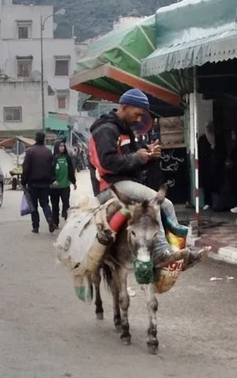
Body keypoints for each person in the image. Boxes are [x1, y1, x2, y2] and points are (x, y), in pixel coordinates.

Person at [88, 88, 205, 268]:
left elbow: (133, 158)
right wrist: (137, 157)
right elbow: (106, 163)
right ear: (125, 107)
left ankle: (178, 250)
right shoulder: (106, 130)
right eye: (137, 114)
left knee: (164, 204)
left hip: (126, 184)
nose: (139, 119)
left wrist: (149, 155)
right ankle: (162, 252)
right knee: (160, 202)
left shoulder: (125, 131)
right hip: (112, 186)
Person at [21, 131, 56, 233]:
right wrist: (52, 179)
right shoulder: (48, 151)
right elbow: (52, 167)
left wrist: (23, 181)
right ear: (44, 139)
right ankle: (49, 218)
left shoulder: (30, 151)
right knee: (45, 203)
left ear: (36, 139)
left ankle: (35, 227)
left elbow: (26, 168)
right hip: (45, 183)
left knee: (34, 205)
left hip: (33, 183)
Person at [49, 140, 77, 228]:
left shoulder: (67, 158)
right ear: (57, 147)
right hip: (54, 187)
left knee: (66, 204)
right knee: (55, 205)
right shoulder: (53, 158)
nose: (62, 148)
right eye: (60, 146)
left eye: (63, 146)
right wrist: (53, 180)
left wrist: (74, 182)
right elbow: (49, 171)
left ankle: (66, 219)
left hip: (65, 185)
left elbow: (71, 171)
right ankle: (55, 222)